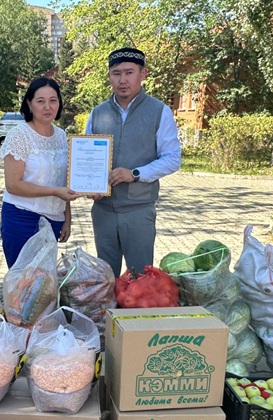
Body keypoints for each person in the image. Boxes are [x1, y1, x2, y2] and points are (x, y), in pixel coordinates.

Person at [85, 47, 182, 277]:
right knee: (105, 279)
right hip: (103, 211)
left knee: (140, 279)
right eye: (116, 73)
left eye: (129, 72)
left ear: (143, 73)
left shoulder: (159, 111)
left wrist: (135, 173)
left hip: (139, 211)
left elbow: (172, 158)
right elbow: (88, 156)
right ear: (109, 76)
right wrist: (90, 185)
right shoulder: (98, 114)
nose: (122, 80)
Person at [0, 77, 80, 268]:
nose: (47, 107)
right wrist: (54, 192)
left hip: (54, 220)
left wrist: (67, 219)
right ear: (29, 104)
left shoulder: (61, 135)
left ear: (59, 103)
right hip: (22, 219)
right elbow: (13, 185)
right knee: (22, 281)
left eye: (53, 100)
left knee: (45, 281)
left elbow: (63, 181)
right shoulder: (19, 135)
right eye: (40, 101)